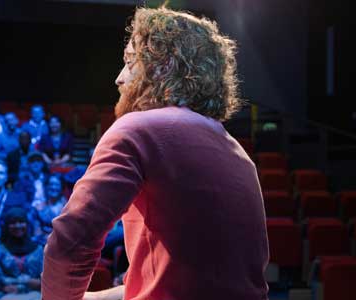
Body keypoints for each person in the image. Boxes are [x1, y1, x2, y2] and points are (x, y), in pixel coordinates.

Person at [41, 7, 268, 300]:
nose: (119, 78)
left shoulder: (137, 129)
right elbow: (191, 283)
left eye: (130, 61)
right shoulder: (238, 153)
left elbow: (70, 244)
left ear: (164, 67)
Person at [0, 207, 43, 300]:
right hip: (6, 293)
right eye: (13, 223)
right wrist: (28, 282)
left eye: (21, 222)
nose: (17, 226)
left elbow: (43, 279)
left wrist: (23, 285)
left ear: (27, 224)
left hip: (34, 293)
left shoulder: (39, 250)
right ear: (6, 226)